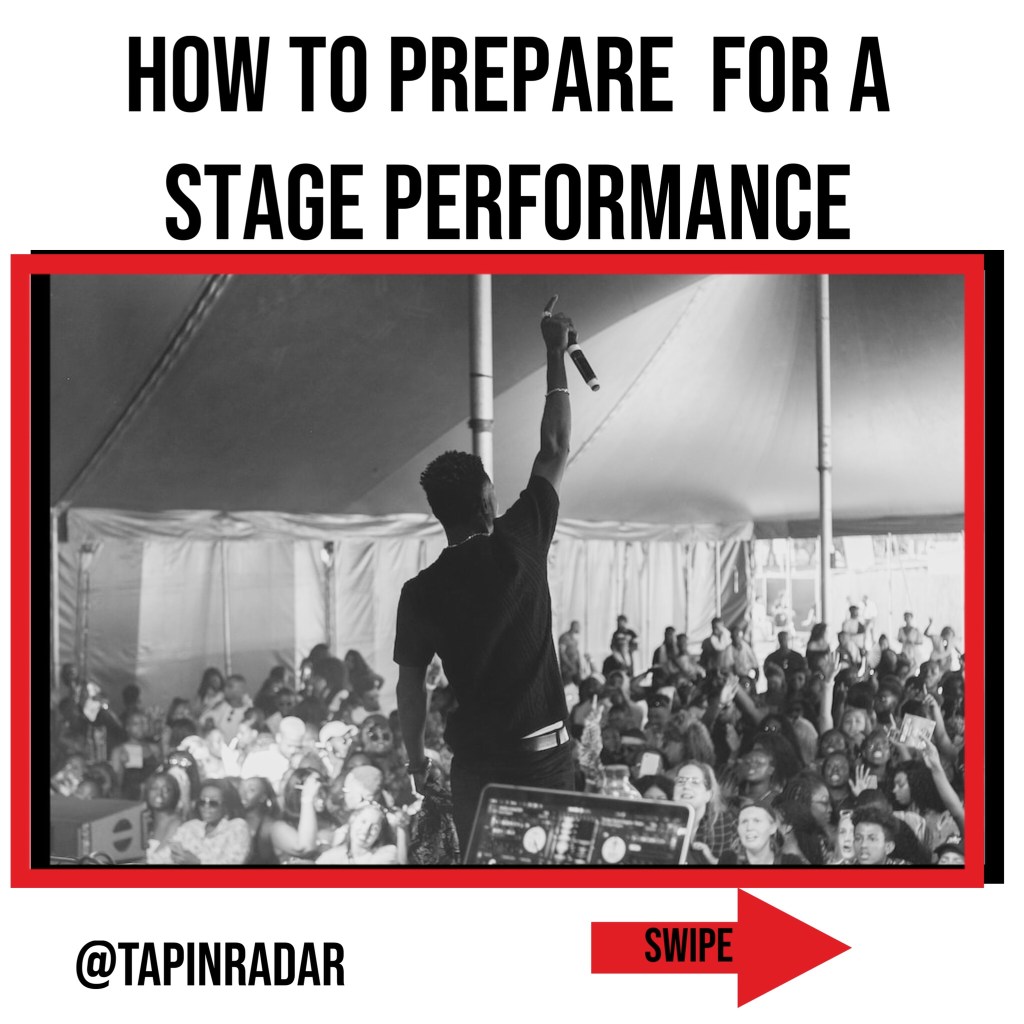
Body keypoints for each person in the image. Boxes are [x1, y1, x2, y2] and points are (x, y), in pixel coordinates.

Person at [395, 303, 576, 848]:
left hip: (476, 770)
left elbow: (410, 686)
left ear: (439, 513)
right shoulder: (521, 540)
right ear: (489, 500)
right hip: (543, 760)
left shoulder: (419, 593)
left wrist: (416, 761)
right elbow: (554, 448)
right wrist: (555, 351)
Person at [166, 779, 251, 865]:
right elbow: (166, 855)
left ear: (226, 805)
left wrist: (198, 863)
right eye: (202, 802)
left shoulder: (237, 827)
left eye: (213, 803)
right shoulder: (190, 827)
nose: (206, 807)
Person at [558, 620, 584, 686]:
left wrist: (579, 665)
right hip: (567, 669)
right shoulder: (565, 637)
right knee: (566, 685)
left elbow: (576, 652)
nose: (579, 628)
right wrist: (569, 665)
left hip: (575, 668)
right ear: (574, 626)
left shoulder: (574, 638)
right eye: (578, 626)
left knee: (580, 685)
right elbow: (562, 653)